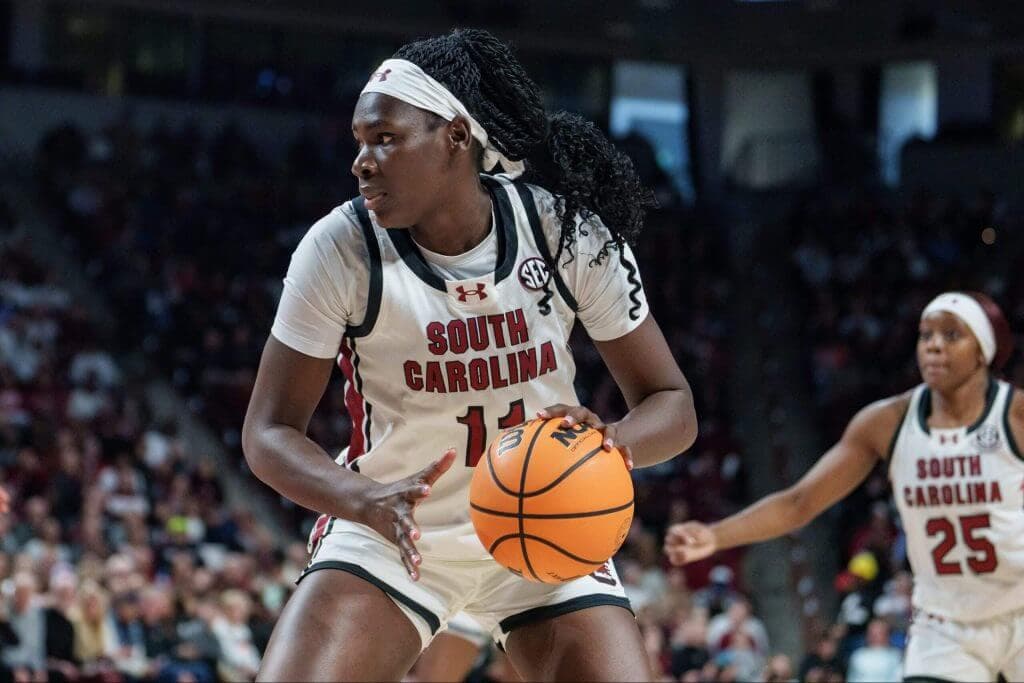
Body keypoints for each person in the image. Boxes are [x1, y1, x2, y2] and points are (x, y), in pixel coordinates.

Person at [242, 28, 698, 682]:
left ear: (456, 136)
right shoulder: (340, 247)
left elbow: (673, 404)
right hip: (394, 529)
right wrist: (360, 498)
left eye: (386, 138)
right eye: (360, 142)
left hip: (549, 520)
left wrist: (612, 445)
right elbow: (267, 432)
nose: (362, 162)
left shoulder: (564, 232)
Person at [665, 291, 1024, 681]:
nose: (934, 345)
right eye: (926, 334)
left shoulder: (1015, 415)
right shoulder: (886, 423)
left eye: (952, 335)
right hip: (945, 625)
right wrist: (715, 535)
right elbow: (799, 502)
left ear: (983, 351)